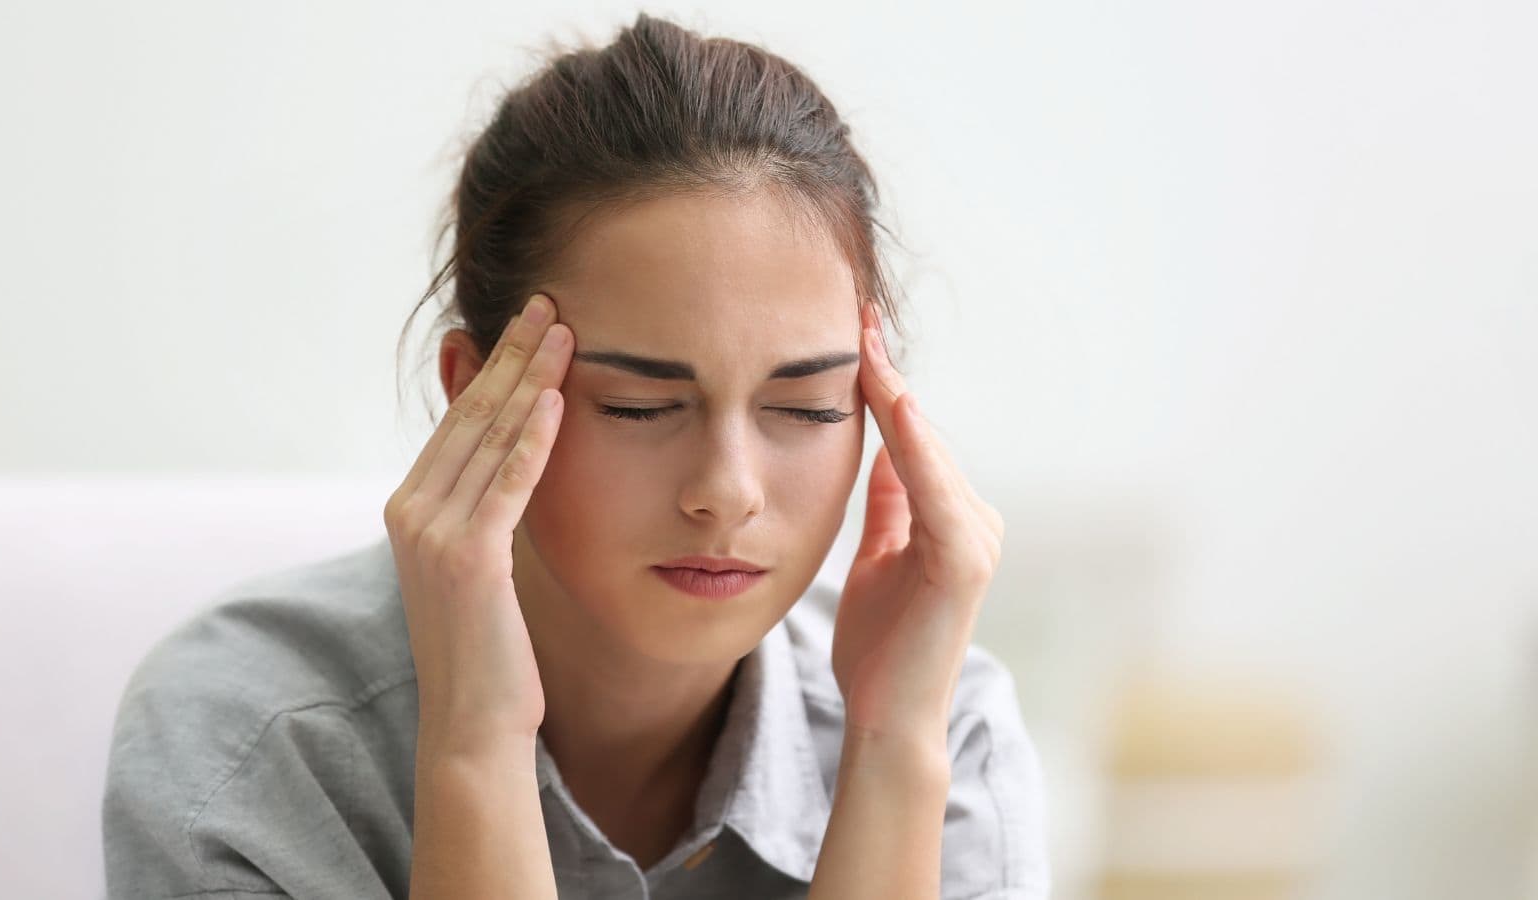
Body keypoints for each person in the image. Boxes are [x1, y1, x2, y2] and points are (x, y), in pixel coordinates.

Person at [102, 12, 1050, 900]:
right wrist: (476, 745)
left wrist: (890, 750)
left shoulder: (944, 725)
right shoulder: (248, 740)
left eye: (806, 408)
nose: (727, 493)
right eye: (641, 407)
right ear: (476, 393)